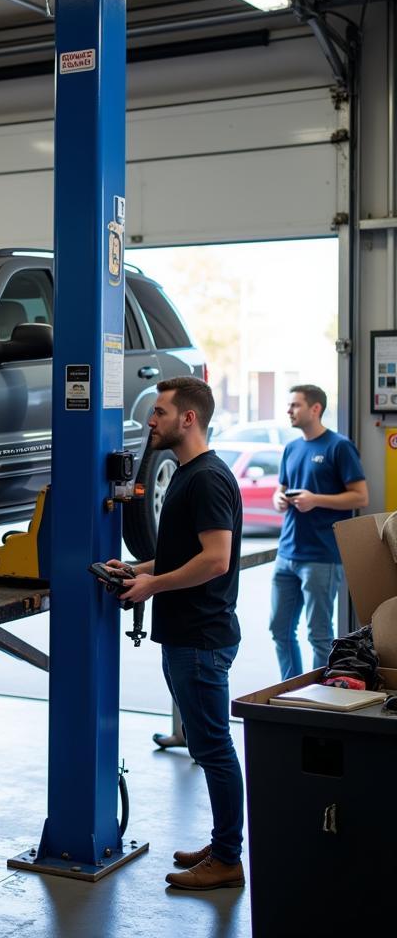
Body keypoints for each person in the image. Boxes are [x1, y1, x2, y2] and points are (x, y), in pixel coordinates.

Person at [106, 377, 245, 891]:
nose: (151, 420)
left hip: (201, 638)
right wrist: (139, 568)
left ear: (188, 418)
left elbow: (214, 560)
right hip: (190, 634)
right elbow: (187, 552)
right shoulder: (191, 474)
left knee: (213, 750)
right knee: (210, 748)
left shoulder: (207, 478)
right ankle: (224, 841)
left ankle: (229, 858)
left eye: (160, 412)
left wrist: (152, 587)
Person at [269, 384, 368, 680]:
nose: (289, 411)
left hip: (322, 557)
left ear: (315, 409)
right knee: (279, 630)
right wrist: (278, 498)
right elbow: (282, 488)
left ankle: (318, 697)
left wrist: (316, 500)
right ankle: (291, 688)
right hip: (287, 554)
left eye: (295, 405)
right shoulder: (291, 448)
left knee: (319, 635)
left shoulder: (338, 446)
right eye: (289, 405)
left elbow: (360, 497)